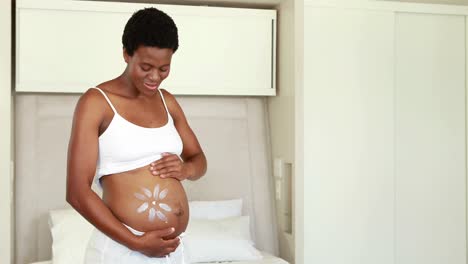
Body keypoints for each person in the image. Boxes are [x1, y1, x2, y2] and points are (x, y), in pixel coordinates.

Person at [66, 7, 207, 263]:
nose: (155, 77)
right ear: (126, 54)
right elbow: (77, 192)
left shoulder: (168, 102)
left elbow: (198, 159)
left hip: (172, 251)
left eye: (164, 69)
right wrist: (137, 242)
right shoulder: (96, 103)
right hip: (124, 250)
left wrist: (185, 170)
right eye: (146, 67)